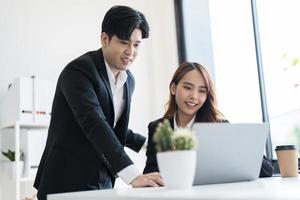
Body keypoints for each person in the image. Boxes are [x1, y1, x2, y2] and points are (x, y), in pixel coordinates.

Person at [34, 5, 163, 200]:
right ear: (104, 39)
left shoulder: (129, 80)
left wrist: (149, 144)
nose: (130, 51)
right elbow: (94, 123)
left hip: (102, 181)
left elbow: (112, 125)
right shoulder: (79, 71)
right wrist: (133, 175)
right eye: (123, 42)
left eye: (136, 45)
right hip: (65, 181)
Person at [143, 62, 273, 178]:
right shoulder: (158, 127)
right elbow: (150, 172)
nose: (194, 96)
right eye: (187, 88)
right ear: (173, 88)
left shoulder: (218, 126)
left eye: (202, 91)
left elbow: (267, 170)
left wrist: (241, 145)